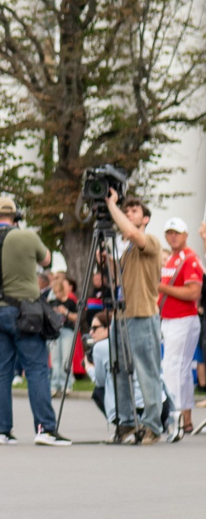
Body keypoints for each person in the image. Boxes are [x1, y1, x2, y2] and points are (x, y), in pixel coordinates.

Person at [0, 196, 64, 444]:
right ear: (17, 216)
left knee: (0, 370)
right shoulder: (27, 237)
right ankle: (45, 429)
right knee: (36, 368)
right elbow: (46, 261)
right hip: (24, 310)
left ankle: (1, 431)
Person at [102, 187, 171, 441]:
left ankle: (152, 424)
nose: (129, 214)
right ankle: (127, 421)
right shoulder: (127, 249)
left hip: (142, 315)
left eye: (135, 210)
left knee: (146, 370)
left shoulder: (150, 241)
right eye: (126, 210)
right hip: (122, 315)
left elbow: (131, 232)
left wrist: (112, 205)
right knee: (118, 369)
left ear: (146, 219)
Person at [156, 216, 199, 438]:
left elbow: (193, 293)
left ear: (185, 235)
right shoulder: (171, 259)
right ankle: (184, 420)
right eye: (169, 233)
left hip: (184, 319)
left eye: (177, 233)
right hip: (169, 319)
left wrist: (161, 287)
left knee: (174, 369)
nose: (173, 236)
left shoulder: (189, 259)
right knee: (176, 369)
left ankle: (178, 419)